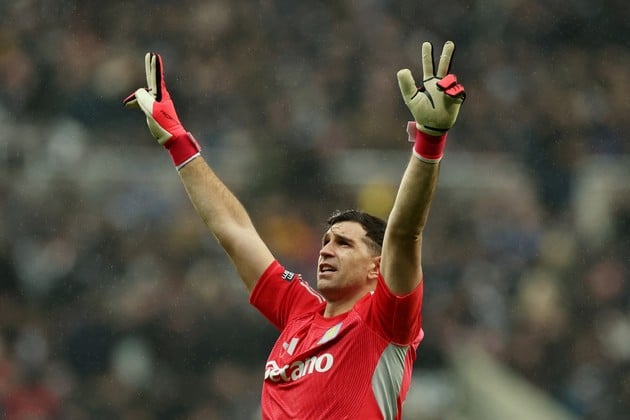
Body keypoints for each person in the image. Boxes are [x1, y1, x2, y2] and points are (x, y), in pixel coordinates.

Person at [123, 40, 465, 420]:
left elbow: (404, 233)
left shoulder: (385, 319)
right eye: (326, 241)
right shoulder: (299, 311)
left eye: (344, 244)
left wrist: (430, 139)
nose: (326, 250)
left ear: (377, 267)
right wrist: (177, 140)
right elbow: (235, 232)